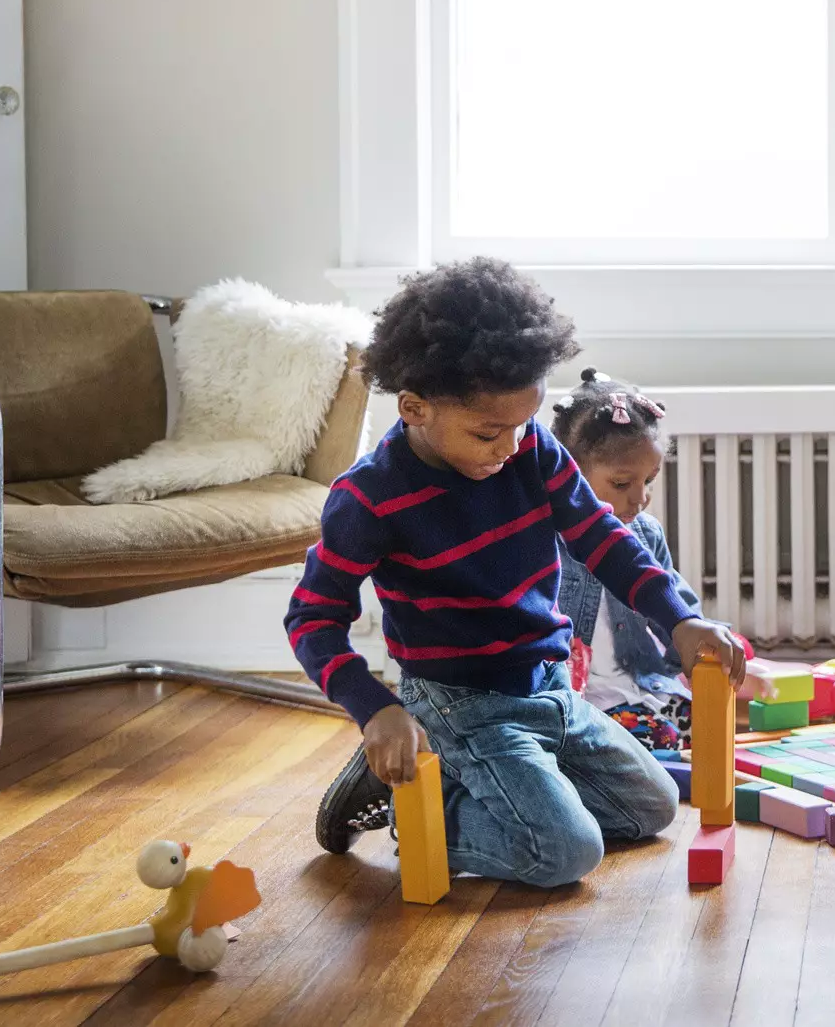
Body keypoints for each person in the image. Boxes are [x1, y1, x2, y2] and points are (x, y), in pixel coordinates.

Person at [285, 258, 748, 888]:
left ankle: (476, 782)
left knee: (654, 806)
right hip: (462, 703)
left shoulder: (532, 449)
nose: (507, 449)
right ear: (416, 408)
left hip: (550, 686)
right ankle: (415, 804)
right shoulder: (368, 498)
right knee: (566, 855)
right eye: (486, 433)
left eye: (521, 425)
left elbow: (605, 540)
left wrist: (680, 618)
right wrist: (375, 710)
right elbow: (313, 617)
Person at [551, 369, 712, 751]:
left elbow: (675, 605)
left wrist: (703, 655)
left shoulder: (646, 532)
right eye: (622, 484)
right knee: (655, 739)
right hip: (579, 696)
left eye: (649, 480)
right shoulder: (545, 542)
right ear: (569, 475)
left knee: (704, 725)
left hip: (638, 684)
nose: (640, 499)